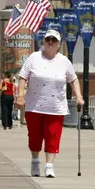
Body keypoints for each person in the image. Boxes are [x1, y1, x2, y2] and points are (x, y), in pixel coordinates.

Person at [16, 29, 84, 178]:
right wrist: (20, 95)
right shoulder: (34, 58)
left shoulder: (64, 61)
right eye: (48, 40)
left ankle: (49, 165)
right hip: (34, 106)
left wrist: (78, 96)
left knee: (53, 136)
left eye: (54, 40)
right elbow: (23, 78)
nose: (51, 43)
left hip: (56, 107)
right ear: (44, 42)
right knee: (34, 136)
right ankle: (35, 161)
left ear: (59, 44)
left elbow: (73, 79)